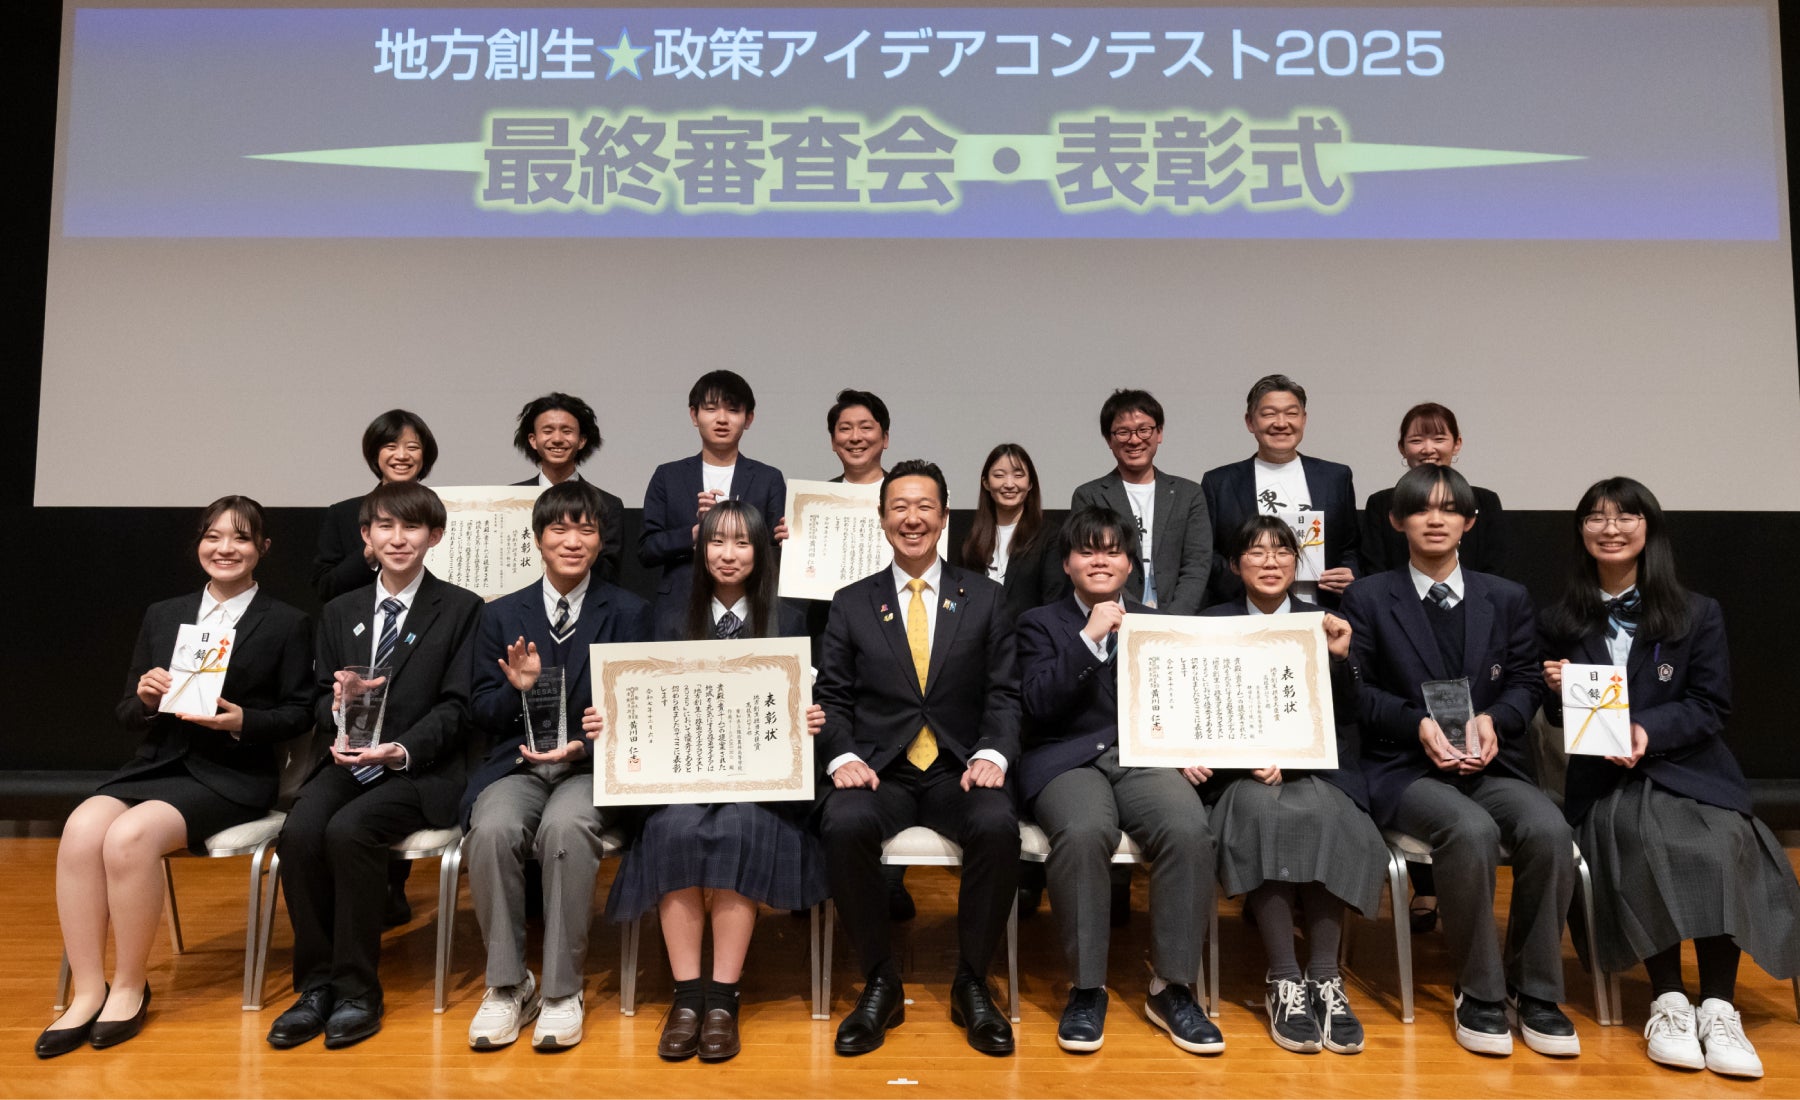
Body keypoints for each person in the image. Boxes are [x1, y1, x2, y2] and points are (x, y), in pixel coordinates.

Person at [1539, 478, 1800, 1079]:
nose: (1611, 528)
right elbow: (1554, 716)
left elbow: (1710, 705)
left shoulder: (1697, 612)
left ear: (1649, 528)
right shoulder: (1558, 620)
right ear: (1580, 532)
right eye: (1596, 517)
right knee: (1644, 838)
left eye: (1625, 516)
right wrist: (1555, 690)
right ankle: (1669, 1001)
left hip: (1691, 770)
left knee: (1718, 843)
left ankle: (1720, 1007)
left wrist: (1646, 731)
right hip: (1607, 782)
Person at [36, 497, 314, 1058]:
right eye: (213, 537)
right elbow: (126, 710)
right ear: (199, 544)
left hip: (231, 774)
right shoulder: (164, 614)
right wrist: (143, 697)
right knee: (81, 829)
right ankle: (88, 991)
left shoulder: (287, 622)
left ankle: (130, 987)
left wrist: (243, 721)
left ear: (262, 548)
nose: (225, 548)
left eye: (240, 538)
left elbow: (302, 712)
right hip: (158, 763)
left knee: (129, 837)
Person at [1340, 465, 1579, 1058]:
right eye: (1422, 508)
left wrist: (1496, 720)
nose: (1436, 519)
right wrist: (1417, 724)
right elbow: (1358, 693)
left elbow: (1526, 681)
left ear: (1469, 522)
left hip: (1488, 763)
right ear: (1397, 521)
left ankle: (1536, 989)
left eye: (1450, 509)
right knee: (1469, 831)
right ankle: (1479, 991)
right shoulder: (1368, 596)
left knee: (1550, 830)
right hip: (1404, 767)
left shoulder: (1506, 596)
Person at [604, 500, 829, 1063]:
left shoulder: (789, 619)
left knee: (739, 831)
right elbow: (644, 703)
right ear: (701, 549)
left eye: (742, 543)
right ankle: (687, 999)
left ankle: (723, 1000)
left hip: (760, 786)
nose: (729, 555)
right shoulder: (666, 618)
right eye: (717, 542)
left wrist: (810, 719)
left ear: (761, 551)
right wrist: (611, 718)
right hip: (682, 779)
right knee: (671, 832)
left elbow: (805, 702)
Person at [815, 460, 1022, 1057]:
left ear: (945, 516)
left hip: (959, 767)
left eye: (925, 506)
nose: (913, 519)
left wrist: (993, 753)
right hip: (882, 770)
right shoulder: (852, 602)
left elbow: (1004, 693)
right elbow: (833, 697)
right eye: (900, 507)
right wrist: (842, 755)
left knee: (997, 825)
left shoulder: (984, 597)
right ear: (882, 520)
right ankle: (880, 980)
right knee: (843, 823)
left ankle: (972, 982)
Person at [268, 481, 483, 1051]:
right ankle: (315, 986)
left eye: (412, 526)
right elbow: (318, 700)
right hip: (349, 763)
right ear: (366, 536)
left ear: (435, 536)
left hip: (421, 769)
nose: (398, 538)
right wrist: (336, 703)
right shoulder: (340, 610)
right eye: (385, 526)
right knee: (299, 833)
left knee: (349, 830)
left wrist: (402, 748)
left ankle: (358, 990)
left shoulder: (462, 608)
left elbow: (458, 708)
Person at [1015, 507, 1221, 1056]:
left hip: (1143, 758)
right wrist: (1087, 638)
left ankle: (1172, 987)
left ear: (1131, 563)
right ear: (1067, 563)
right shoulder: (1039, 623)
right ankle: (1087, 989)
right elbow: (1035, 705)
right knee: (1084, 832)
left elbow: (1182, 699)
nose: (1100, 560)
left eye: (1113, 550)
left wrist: (1184, 746)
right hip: (1066, 761)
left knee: (1188, 829)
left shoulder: (1156, 623)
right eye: (1086, 550)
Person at [462, 481, 652, 1052]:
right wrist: (517, 690)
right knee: (492, 829)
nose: (573, 541)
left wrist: (587, 745)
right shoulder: (499, 614)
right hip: (516, 767)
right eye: (559, 529)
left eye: (585, 529)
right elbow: (479, 711)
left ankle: (563, 991)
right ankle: (507, 985)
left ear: (601, 541)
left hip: (589, 769)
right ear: (538, 539)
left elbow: (643, 710)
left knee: (566, 829)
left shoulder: (631, 612)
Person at [1200, 516, 1387, 1056]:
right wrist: (1245, 759)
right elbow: (1201, 711)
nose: (1270, 561)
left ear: (1297, 562)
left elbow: (1351, 713)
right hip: (1241, 773)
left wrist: (1341, 658)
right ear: (1235, 565)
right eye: (1256, 552)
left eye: (1282, 551)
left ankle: (1325, 978)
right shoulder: (1210, 624)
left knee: (1331, 815)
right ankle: (1283, 978)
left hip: (1319, 768)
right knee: (1264, 813)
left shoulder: (1323, 622)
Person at [1201, 374, 1359, 608]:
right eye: (1269, 414)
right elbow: (1207, 553)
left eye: (1291, 413)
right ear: (1250, 422)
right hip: (1245, 610)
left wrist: (1349, 573)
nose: (1281, 423)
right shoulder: (1220, 482)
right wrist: (1252, 582)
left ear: (1304, 419)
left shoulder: (1335, 477)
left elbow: (1350, 546)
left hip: (1321, 609)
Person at [638, 371, 786, 617]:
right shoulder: (668, 475)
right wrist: (696, 533)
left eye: (733, 410)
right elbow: (647, 549)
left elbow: (775, 551)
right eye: (710, 409)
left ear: (748, 419)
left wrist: (786, 541)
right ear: (694, 415)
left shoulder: (768, 478)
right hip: (681, 605)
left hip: (751, 607)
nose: (722, 419)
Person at [1067, 389, 1212, 614]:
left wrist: (1173, 619)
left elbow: (1197, 563)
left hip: (1178, 620)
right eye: (1123, 432)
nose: (1134, 440)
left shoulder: (1188, 494)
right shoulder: (1089, 495)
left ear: (1159, 433)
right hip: (1116, 616)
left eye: (1144, 430)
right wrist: (1136, 617)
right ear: (1108, 439)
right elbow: (1091, 566)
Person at [1361, 402, 1511, 578]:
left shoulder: (1485, 501)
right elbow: (1374, 570)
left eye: (1439, 439)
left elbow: (1496, 569)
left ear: (1457, 444)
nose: (1428, 449)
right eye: (1416, 441)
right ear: (1402, 448)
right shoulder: (1381, 503)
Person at [312, 409, 438, 603]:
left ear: (425, 455)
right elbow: (325, 588)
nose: (402, 455)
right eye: (390, 446)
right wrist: (368, 554)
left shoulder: (444, 510)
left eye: (412, 447)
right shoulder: (344, 514)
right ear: (375, 454)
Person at [508, 392, 626, 584]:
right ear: (533, 440)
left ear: (582, 440)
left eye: (567, 431)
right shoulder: (510, 501)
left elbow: (609, 575)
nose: (557, 439)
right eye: (547, 431)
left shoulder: (608, 504)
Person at [959, 443, 1058, 623]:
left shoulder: (1050, 537)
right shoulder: (970, 537)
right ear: (986, 483)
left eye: (1018, 475)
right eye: (999, 475)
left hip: (1030, 637)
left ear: (1030, 483)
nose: (1009, 484)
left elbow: (1053, 602)